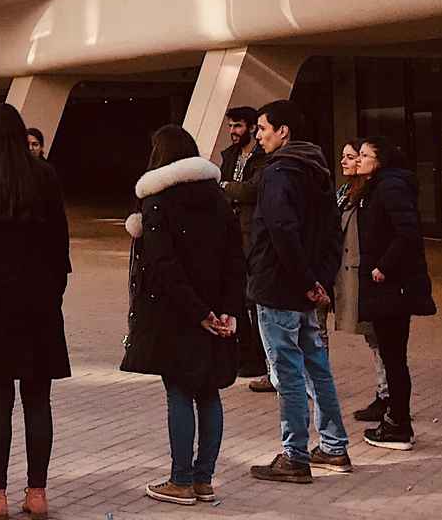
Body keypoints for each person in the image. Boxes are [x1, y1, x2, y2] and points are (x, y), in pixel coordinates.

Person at [122, 125, 245, 508]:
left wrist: (199, 313)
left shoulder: (157, 202)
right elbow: (235, 260)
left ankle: (181, 480)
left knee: (179, 390)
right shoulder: (218, 198)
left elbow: (163, 265)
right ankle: (204, 480)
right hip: (216, 309)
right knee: (208, 391)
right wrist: (226, 311)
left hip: (176, 312)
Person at [0, 104, 70, 519]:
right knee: (38, 398)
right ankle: (37, 493)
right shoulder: (44, 175)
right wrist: (54, 291)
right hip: (39, 301)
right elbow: (60, 242)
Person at [246, 100, 353, 484]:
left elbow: (281, 231)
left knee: (287, 373)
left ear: (283, 131)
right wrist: (318, 281)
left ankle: (295, 455)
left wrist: (308, 281)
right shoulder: (317, 171)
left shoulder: (278, 173)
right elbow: (331, 234)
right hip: (306, 288)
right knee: (315, 367)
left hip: (280, 288)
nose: (258, 136)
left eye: (262, 128)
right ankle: (334, 446)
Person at [356, 137, 436, 452]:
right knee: (391, 356)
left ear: (380, 159)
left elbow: (407, 232)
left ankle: (399, 425)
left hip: (391, 287)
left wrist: (383, 267)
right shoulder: (377, 187)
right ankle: (395, 419)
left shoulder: (390, 187)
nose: (359, 159)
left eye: (365, 155)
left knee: (394, 357)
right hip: (386, 286)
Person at [333, 139, 388, 424]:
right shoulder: (345, 192)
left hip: (364, 274)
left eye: (352, 156)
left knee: (378, 336)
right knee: (372, 337)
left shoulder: (370, 194)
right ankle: (384, 392)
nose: (344, 161)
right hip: (346, 272)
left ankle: (386, 395)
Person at [218, 107, 270, 385]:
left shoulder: (263, 157)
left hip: (253, 237)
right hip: (232, 236)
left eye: (237, 126)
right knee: (236, 297)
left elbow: (252, 190)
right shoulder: (229, 156)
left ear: (250, 128)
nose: (232, 131)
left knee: (255, 299)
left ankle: (260, 357)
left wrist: (226, 186)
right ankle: (244, 354)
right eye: (230, 126)